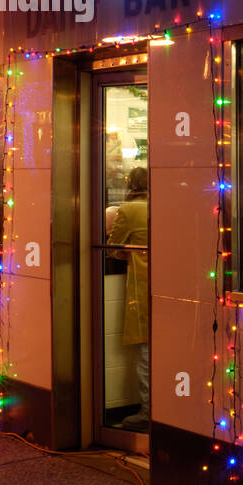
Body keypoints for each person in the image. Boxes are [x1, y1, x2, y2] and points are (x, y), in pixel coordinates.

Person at [108, 166, 150, 428]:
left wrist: (127, 254)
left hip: (142, 284)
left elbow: (113, 246)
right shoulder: (169, 205)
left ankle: (148, 411)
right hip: (173, 284)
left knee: (146, 352)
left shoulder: (128, 209)